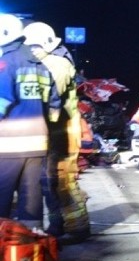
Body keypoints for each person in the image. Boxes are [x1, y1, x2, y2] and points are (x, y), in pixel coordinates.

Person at [23, 21, 90, 240]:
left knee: (63, 182)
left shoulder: (58, 64)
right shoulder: (44, 62)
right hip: (53, 131)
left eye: (31, 46)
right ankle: (59, 225)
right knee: (50, 183)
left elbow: (50, 98)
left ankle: (78, 228)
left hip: (64, 132)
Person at [0, 14, 60, 230]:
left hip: (9, 145)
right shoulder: (41, 65)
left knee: (2, 196)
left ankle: (4, 248)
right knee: (31, 198)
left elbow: (2, 100)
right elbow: (54, 106)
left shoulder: (6, 62)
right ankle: (31, 242)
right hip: (37, 143)